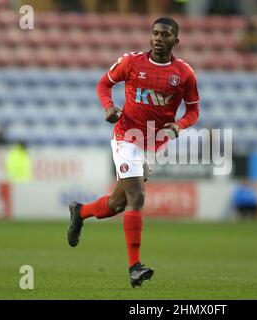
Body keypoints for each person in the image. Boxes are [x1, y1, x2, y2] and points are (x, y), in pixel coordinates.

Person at [67, 17, 200, 288]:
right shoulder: (131, 62)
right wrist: (108, 107)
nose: (158, 39)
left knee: (117, 204)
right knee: (137, 197)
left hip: (152, 145)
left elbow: (194, 110)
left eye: (165, 35)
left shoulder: (184, 74)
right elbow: (103, 85)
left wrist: (180, 124)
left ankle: (80, 212)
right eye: (154, 34)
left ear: (176, 41)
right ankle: (134, 268)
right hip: (126, 136)